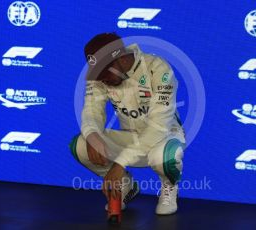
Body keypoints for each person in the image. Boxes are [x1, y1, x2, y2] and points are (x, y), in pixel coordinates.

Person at [69, 32, 186, 215]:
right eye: (97, 73)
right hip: (129, 138)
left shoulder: (158, 68)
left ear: (121, 59)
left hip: (164, 136)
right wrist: (92, 135)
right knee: (82, 145)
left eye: (105, 73)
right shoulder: (100, 76)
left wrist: (119, 164)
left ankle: (169, 187)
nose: (102, 79)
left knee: (165, 157)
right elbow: (92, 111)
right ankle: (125, 185)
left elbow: (158, 126)